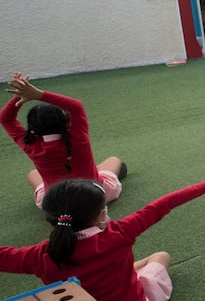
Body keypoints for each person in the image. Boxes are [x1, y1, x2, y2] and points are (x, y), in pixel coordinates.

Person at [0, 169, 205, 301]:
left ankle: (129, 270)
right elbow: (162, 204)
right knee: (161, 256)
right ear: (102, 215)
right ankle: (132, 270)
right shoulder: (120, 233)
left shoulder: (38, 256)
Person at [1, 73, 125, 220]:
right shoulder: (78, 140)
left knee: (32, 174)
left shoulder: (32, 146)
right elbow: (76, 106)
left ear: (33, 128)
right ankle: (96, 172)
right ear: (65, 120)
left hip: (54, 203)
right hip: (94, 195)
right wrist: (38, 94)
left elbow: (5, 119)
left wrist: (19, 96)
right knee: (114, 160)